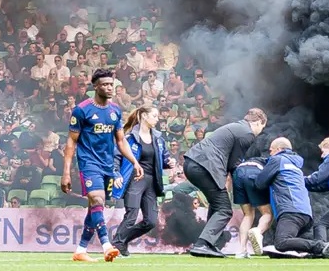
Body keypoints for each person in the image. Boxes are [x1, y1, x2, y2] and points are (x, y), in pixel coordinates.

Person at [61, 68, 144, 263]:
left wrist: (134, 161)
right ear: (95, 87)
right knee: (97, 200)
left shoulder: (115, 111)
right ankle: (107, 246)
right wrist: (66, 173)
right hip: (89, 164)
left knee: (95, 207)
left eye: (111, 84)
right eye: (105, 84)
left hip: (108, 165)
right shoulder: (82, 110)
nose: (109, 87)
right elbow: (71, 142)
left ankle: (80, 250)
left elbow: (121, 141)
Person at [183, 108, 267, 258]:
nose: (260, 131)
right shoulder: (247, 134)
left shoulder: (237, 127)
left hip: (192, 163)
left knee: (216, 205)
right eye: (262, 127)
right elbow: (234, 164)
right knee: (224, 209)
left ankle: (210, 244)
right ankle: (202, 244)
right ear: (259, 122)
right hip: (205, 166)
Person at [111, 106, 176, 256]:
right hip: (134, 179)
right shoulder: (129, 137)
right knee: (131, 215)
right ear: (144, 116)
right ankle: (116, 245)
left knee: (151, 221)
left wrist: (168, 162)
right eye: (154, 115)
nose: (157, 119)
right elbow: (116, 156)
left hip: (152, 182)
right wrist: (116, 175)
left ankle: (121, 241)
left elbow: (163, 158)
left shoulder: (158, 138)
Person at [254, 137, 329, 258]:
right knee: (285, 241)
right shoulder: (295, 165)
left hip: (291, 211)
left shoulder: (277, 159)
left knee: (281, 242)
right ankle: (318, 249)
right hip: (305, 214)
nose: (269, 153)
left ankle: (320, 246)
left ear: (279, 149)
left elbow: (260, 183)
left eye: (271, 150)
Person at [232, 156, 273, 258]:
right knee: (267, 213)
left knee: (248, 214)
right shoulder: (272, 159)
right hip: (254, 172)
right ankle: (258, 231)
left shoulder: (249, 157)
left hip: (238, 173)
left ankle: (241, 250)